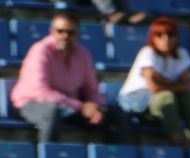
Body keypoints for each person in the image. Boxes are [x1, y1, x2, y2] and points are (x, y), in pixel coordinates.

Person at [9, 10, 128, 143]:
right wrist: (81, 107)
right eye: (60, 31)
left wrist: (96, 107)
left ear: (77, 34)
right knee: (52, 113)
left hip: (69, 106)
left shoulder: (83, 54)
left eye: (70, 32)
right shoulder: (40, 51)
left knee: (115, 114)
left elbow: (92, 90)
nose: (65, 36)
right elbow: (41, 92)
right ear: (52, 31)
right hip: (31, 103)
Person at [117, 17, 190, 147]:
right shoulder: (147, 53)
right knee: (167, 97)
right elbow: (153, 89)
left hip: (159, 98)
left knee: (186, 97)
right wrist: (174, 86)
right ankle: (177, 142)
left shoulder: (181, 53)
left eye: (170, 34)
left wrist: (165, 83)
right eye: (159, 35)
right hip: (135, 98)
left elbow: (188, 86)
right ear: (152, 37)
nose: (166, 39)